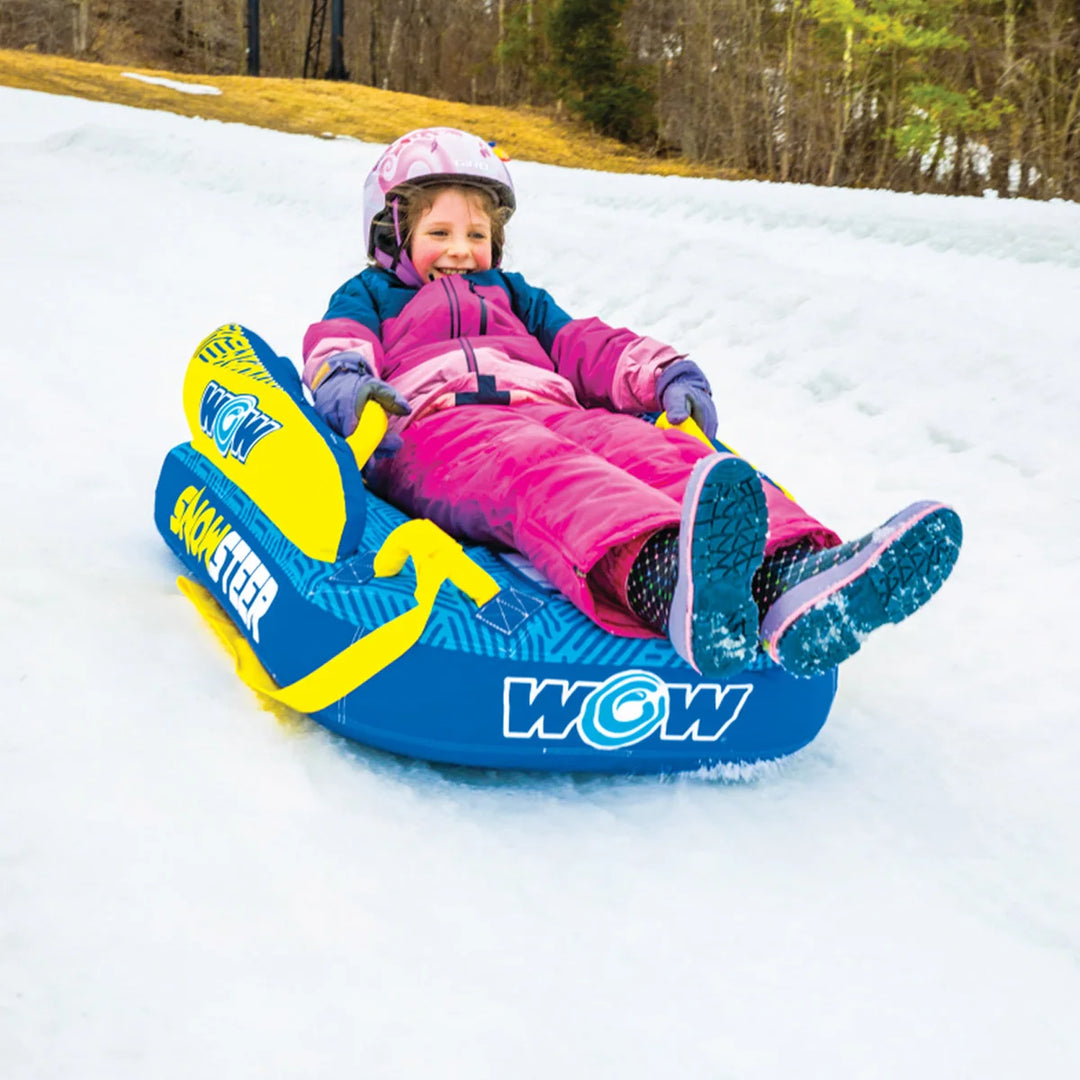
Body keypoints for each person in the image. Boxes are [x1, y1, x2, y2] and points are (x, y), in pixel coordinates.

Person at [303, 127, 962, 679]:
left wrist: (661, 372)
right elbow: (338, 345)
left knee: (657, 450)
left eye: (477, 236)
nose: (461, 250)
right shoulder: (372, 296)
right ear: (391, 233)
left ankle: (799, 581)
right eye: (440, 231)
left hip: (553, 410)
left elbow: (586, 344)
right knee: (550, 473)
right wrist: (350, 387)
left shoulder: (517, 298)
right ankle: (672, 584)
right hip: (443, 433)